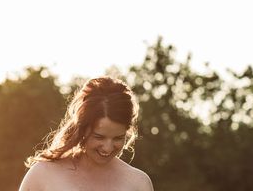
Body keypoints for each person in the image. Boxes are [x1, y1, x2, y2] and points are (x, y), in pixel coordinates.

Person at [18, 76, 154, 191]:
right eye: (99, 137)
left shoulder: (138, 183)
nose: (108, 147)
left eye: (118, 138)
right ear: (82, 128)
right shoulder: (43, 174)